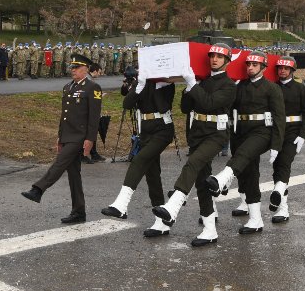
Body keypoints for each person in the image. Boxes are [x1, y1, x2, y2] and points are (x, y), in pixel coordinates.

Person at [151, 44, 237, 245]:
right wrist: (189, 87)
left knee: (193, 163)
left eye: (219, 56)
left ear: (227, 61)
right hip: (198, 133)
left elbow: (208, 104)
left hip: (216, 134)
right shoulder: (202, 82)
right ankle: (209, 230)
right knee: (202, 182)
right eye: (212, 56)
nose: (214, 59)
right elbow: (185, 108)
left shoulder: (229, 85)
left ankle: (173, 206)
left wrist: (194, 85)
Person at [205, 51, 285, 235]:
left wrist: (276, 145)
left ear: (263, 67)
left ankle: (222, 179)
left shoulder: (272, 88)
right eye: (248, 64)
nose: (250, 68)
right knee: (249, 174)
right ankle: (256, 219)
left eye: (254, 65)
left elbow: (279, 118)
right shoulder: (239, 86)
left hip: (262, 132)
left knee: (244, 155)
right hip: (241, 132)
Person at [21, 54, 102, 224]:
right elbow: (64, 116)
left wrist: (90, 140)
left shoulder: (92, 88)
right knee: (74, 175)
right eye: (72, 68)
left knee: (60, 162)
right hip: (67, 135)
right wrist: (60, 137)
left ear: (86, 69)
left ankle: (38, 189)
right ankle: (79, 212)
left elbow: (94, 118)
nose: (73, 71)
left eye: (77, 68)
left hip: (80, 137)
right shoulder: (68, 87)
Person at [101, 59, 178, 237]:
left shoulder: (165, 82)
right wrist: (139, 84)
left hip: (162, 129)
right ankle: (162, 222)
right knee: (153, 175)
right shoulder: (140, 82)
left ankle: (121, 205)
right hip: (146, 131)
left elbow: (164, 103)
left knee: (140, 159)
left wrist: (153, 83)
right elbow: (126, 104)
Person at [269, 56, 305, 223]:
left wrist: (303, 135)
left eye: (286, 69)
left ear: (292, 71)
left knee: (284, 163)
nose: (282, 71)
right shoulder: (272, 88)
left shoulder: (301, 89)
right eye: (280, 68)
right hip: (276, 132)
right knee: (277, 166)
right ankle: (281, 207)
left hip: (293, 132)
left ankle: (279, 195)